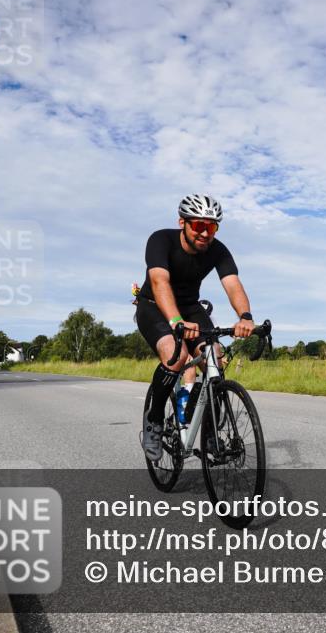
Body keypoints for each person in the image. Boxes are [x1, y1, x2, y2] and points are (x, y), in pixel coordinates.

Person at [136, 194, 255, 460]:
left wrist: (245, 316)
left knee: (215, 356)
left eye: (211, 227)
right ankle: (154, 421)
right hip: (154, 305)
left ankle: (211, 438)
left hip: (190, 307)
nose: (204, 233)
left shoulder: (218, 250)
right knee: (175, 355)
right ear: (183, 223)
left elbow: (233, 283)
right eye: (198, 225)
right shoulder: (160, 240)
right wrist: (175, 322)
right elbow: (159, 282)